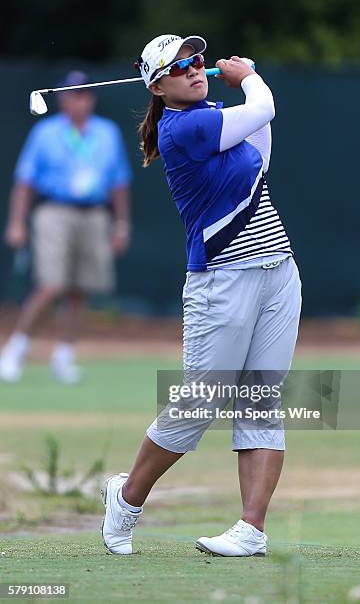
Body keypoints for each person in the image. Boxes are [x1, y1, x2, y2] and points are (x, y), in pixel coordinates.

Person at [101, 34, 301, 556]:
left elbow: (261, 152)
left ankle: (251, 530)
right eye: (179, 66)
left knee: (261, 402)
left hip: (278, 270)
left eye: (196, 60)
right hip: (222, 279)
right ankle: (125, 497)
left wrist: (248, 94)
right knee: (198, 404)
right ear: (158, 87)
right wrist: (249, 77)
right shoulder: (183, 127)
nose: (193, 68)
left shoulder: (212, 115)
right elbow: (264, 105)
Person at [0, 71, 132, 384]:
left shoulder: (107, 132)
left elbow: (119, 183)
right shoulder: (45, 132)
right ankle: (15, 349)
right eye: (73, 94)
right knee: (52, 284)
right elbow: (25, 182)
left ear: (91, 98)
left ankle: (64, 356)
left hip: (96, 214)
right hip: (54, 211)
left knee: (80, 289)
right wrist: (17, 222)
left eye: (84, 94)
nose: (79, 100)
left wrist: (122, 224)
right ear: (62, 99)